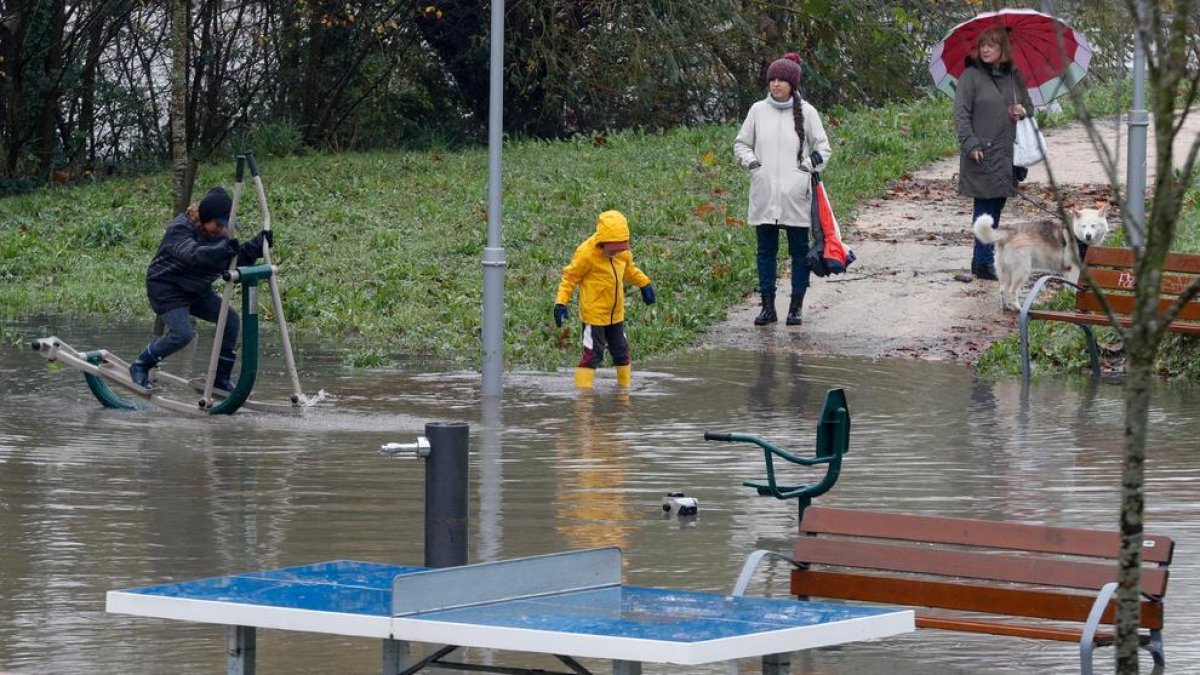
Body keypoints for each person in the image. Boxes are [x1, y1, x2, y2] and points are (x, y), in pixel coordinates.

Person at [128, 187, 272, 391]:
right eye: (219, 224)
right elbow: (195, 255)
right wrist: (224, 249)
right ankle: (141, 365)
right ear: (206, 219)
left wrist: (253, 248)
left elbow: (230, 261)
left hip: (197, 290)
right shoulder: (180, 229)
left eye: (225, 226)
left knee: (231, 321)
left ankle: (220, 378)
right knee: (183, 333)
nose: (222, 230)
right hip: (168, 289)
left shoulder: (221, 236)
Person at [734, 51, 832, 327]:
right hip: (765, 194)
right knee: (766, 252)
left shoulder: (808, 113)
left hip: (796, 196)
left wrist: (805, 168)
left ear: (793, 83)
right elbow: (741, 143)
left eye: (781, 80)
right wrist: (753, 164)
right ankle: (767, 307)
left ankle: (796, 307)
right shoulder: (757, 111)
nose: (775, 84)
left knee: (799, 252)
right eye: (772, 79)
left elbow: (823, 149)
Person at [954, 25, 1035, 281]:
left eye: (991, 45)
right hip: (981, 153)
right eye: (983, 45)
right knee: (985, 207)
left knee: (996, 206)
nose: (986, 49)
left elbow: (1029, 107)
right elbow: (961, 114)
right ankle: (983, 261)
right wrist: (971, 144)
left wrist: (1020, 110)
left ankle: (981, 261)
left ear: (1003, 49)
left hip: (1006, 154)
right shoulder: (971, 76)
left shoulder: (1013, 77)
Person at [553, 210, 655, 389]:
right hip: (594, 315)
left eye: (621, 249)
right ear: (602, 243)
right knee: (593, 353)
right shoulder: (586, 253)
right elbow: (570, 278)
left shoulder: (622, 253)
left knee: (621, 351)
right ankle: (584, 396)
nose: (617, 253)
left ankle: (625, 390)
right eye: (614, 249)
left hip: (616, 314)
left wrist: (644, 284)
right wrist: (561, 303)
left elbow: (629, 269)